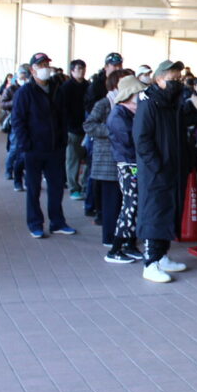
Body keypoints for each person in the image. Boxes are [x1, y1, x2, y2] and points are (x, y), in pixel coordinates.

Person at [134, 60, 191, 282]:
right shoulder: (149, 103)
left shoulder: (173, 103)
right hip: (156, 172)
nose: (177, 82)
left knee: (170, 212)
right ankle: (150, 263)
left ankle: (162, 255)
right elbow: (142, 139)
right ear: (158, 79)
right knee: (154, 214)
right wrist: (156, 166)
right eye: (172, 79)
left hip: (174, 169)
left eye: (178, 78)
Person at [11, 53, 76, 239]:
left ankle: (57, 222)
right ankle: (35, 224)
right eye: (41, 65)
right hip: (34, 149)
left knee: (56, 187)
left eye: (47, 64)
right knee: (33, 188)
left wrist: (63, 140)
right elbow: (18, 120)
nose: (45, 68)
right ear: (32, 70)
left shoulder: (57, 90)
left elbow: (63, 116)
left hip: (55, 148)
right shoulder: (25, 92)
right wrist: (26, 144)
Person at [84, 68, 135, 261]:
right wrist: (111, 130)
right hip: (107, 160)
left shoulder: (129, 104)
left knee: (124, 202)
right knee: (111, 201)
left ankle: (124, 238)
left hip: (124, 159)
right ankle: (110, 237)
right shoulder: (104, 103)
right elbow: (89, 125)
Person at [102, 74, 145, 264]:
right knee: (130, 206)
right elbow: (131, 141)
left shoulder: (129, 114)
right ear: (129, 95)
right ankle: (115, 249)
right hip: (128, 166)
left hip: (134, 164)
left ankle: (129, 244)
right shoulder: (118, 116)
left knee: (134, 207)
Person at [58, 59, 89, 201]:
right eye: (79, 68)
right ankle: (74, 188)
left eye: (83, 68)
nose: (82, 71)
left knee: (88, 159)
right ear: (72, 71)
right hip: (73, 129)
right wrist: (67, 127)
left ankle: (85, 186)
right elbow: (62, 109)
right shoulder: (66, 87)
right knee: (73, 160)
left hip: (87, 128)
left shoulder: (88, 86)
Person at [2, 65, 28, 189]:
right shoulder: (11, 89)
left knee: (25, 152)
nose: (25, 76)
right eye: (23, 73)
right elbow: (3, 103)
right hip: (16, 122)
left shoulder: (30, 87)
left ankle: (24, 175)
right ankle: (9, 170)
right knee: (14, 148)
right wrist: (15, 102)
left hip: (29, 123)